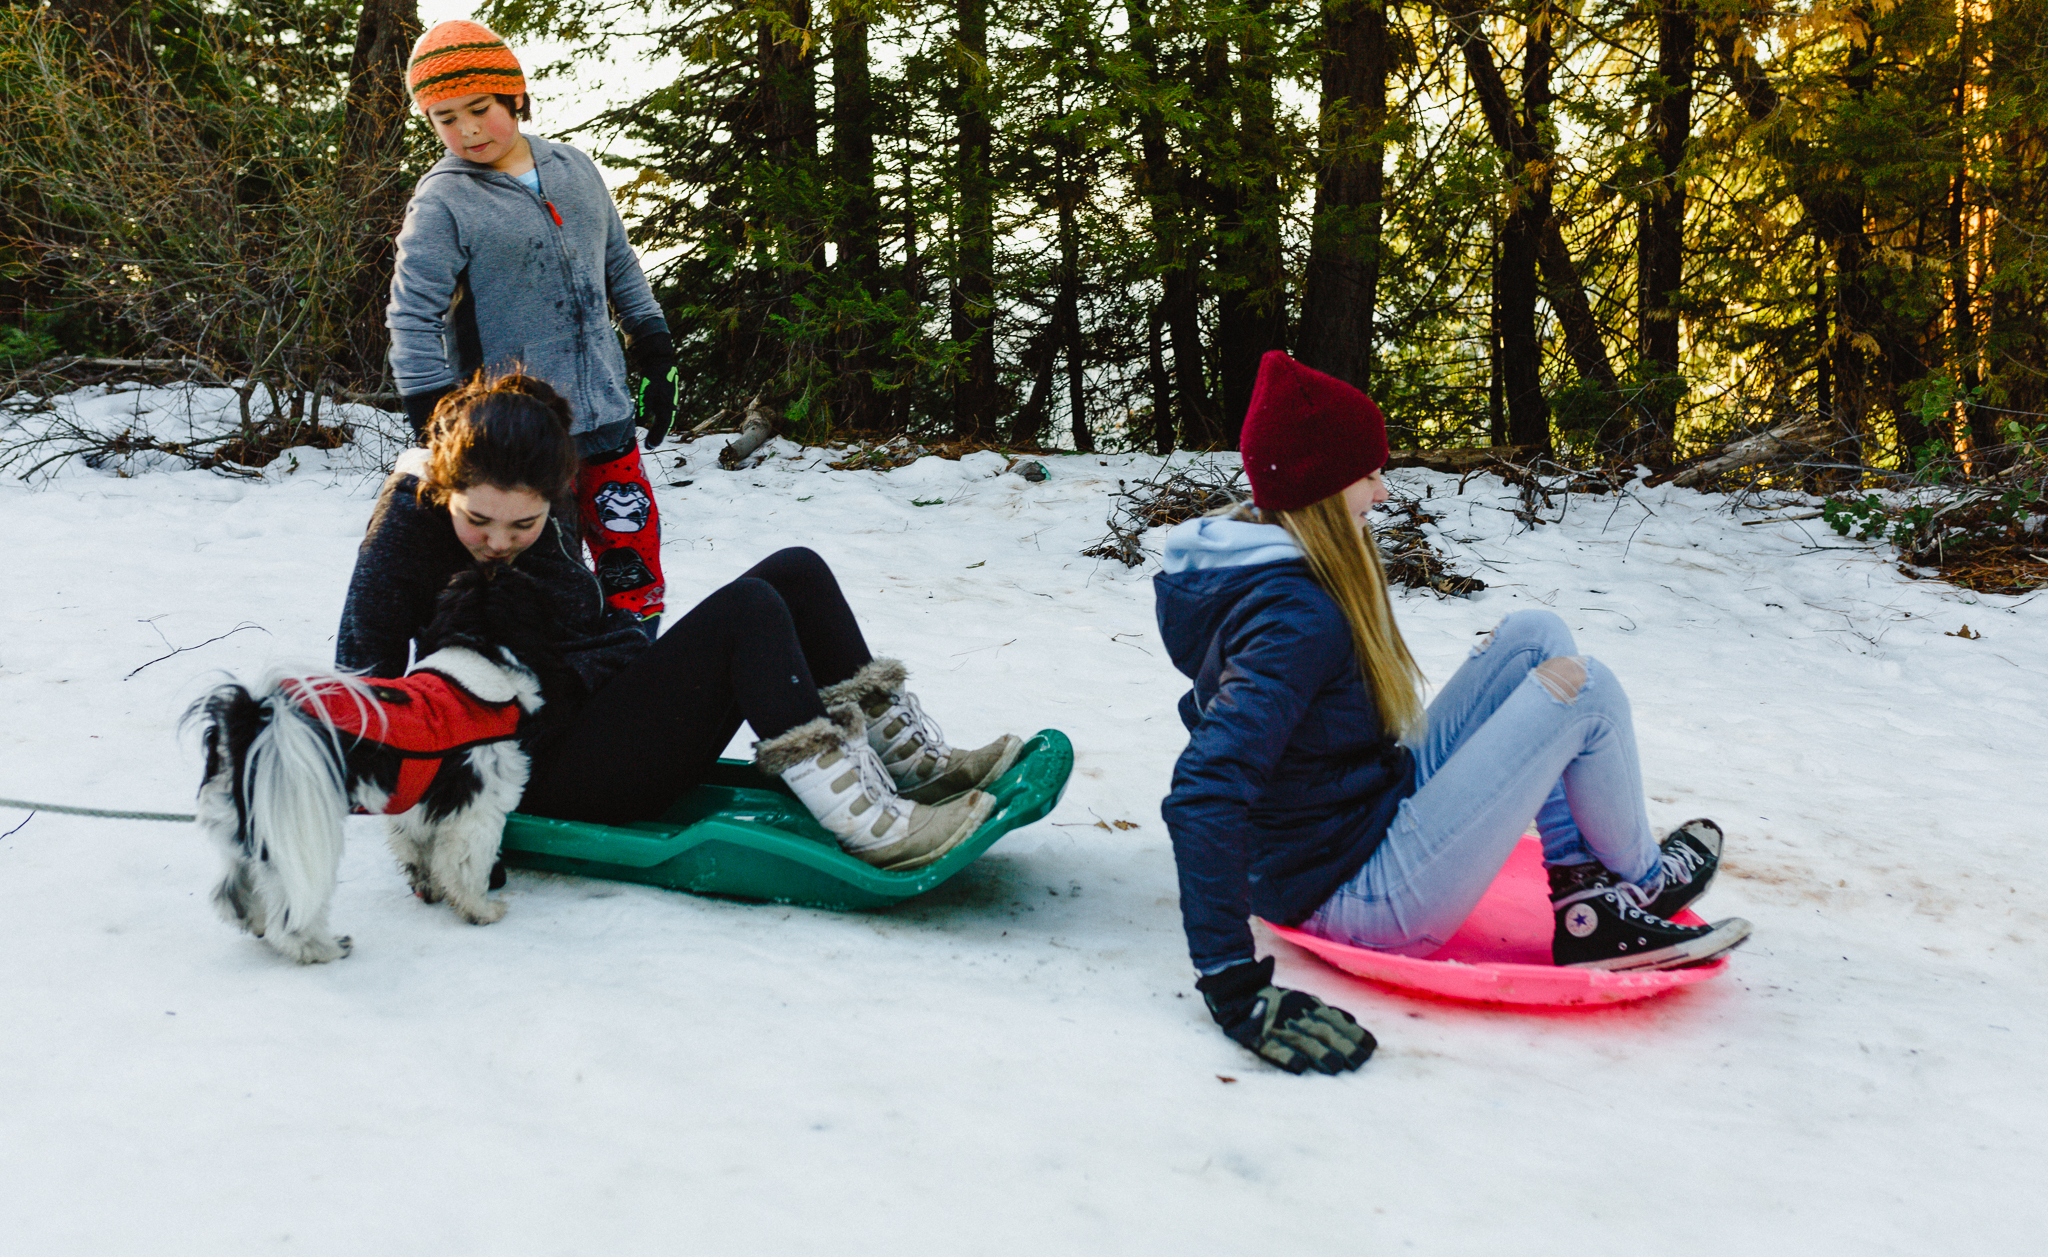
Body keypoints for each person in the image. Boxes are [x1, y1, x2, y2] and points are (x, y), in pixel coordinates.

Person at [1156, 351, 1753, 1075]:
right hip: (1358, 890)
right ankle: (1646, 881)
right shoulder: (1297, 619)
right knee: (1584, 690)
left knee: (1535, 636)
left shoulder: (1270, 560)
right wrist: (1233, 988)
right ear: (1319, 485)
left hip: (1360, 813)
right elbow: (1204, 790)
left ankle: (1586, 899)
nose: (1382, 491)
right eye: (1368, 474)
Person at [336, 373, 1023, 871]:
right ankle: (862, 821)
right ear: (444, 485)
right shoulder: (404, 527)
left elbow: (589, 631)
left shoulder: (529, 518)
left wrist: (635, 666)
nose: (499, 539)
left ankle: (915, 765)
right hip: (526, 769)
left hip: (591, 718)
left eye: (525, 522)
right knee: (749, 612)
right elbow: (360, 686)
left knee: (794, 571)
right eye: (477, 520)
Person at [387, 19, 677, 629]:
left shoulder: (574, 169)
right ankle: (551, 704)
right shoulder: (443, 200)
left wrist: (653, 345)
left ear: (514, 95)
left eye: (480, 108)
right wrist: (433, 415)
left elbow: (617, 262)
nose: (465, 130)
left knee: (634, 573)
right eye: (444, 117)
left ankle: (637, 681)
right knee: (543, 582)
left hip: (605, 419)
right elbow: (412, 314)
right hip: (516, 435)